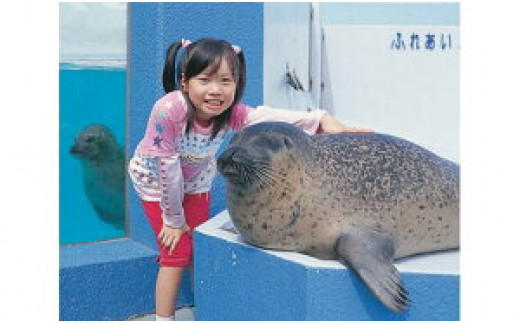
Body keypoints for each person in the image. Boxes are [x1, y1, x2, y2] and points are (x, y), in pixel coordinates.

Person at [128, 38, 371, 321]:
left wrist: (321, 119)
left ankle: (203, 307)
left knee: (196, 243)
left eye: (226, 80)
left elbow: (266, 116)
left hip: (195, 181)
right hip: (156, 183)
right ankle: (164, 318)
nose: (216, 90)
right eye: (205, 80)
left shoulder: (230, 113)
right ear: (184, 81)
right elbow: (167, 168)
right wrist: (172, 221)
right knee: (176, 249)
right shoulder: (168, 111)